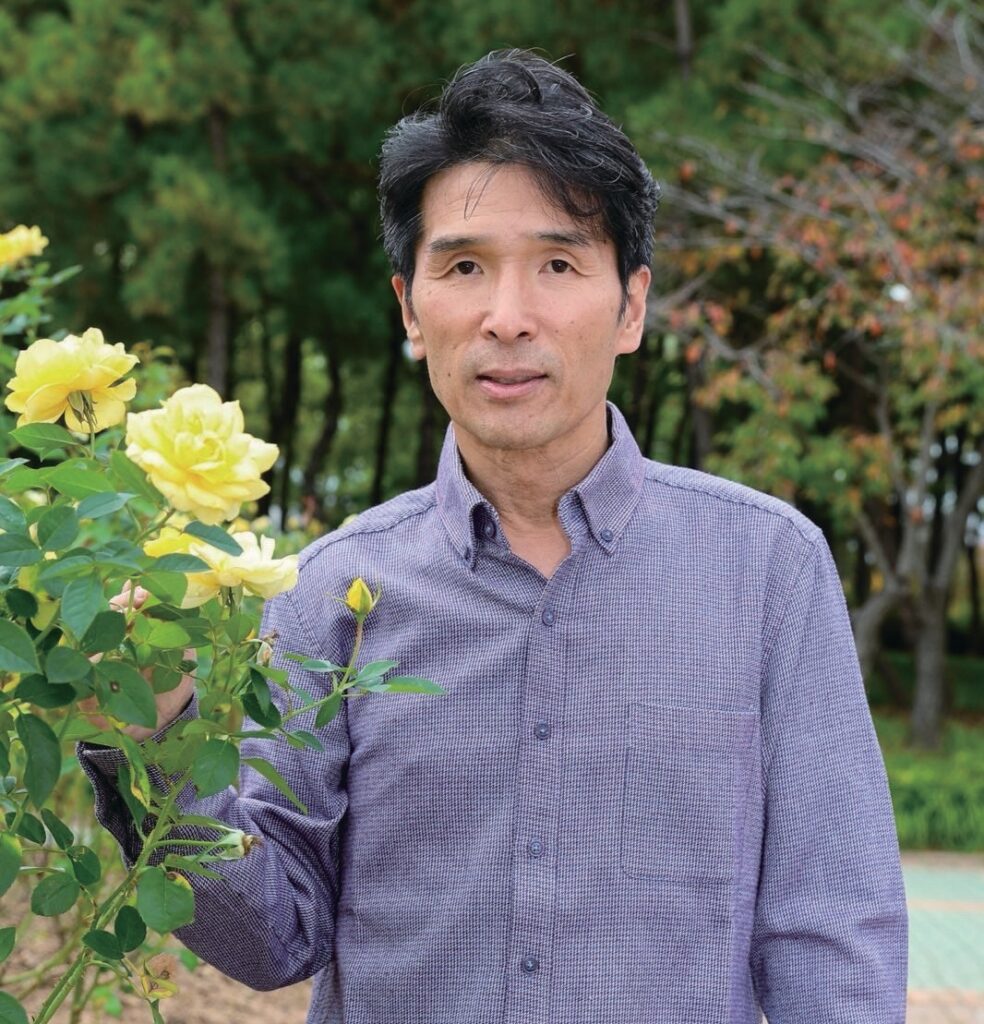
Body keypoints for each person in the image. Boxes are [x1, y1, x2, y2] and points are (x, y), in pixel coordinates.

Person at [77, 49, 908, 1024]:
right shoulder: (332, 589)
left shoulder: (768, 570)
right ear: (410, 309)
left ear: (632, 305)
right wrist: (155, 736)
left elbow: (832, 940)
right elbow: (270, 939)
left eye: (558, 264)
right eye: (464, 266)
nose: (507, 318)